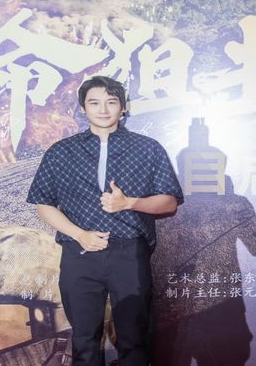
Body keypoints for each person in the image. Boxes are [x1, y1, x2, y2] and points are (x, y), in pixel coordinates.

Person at [26, 75, 183, 366]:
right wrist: (79, 234)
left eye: (111, 102)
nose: (103, 109)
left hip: (129, 253)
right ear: (82, 108)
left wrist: (129, 203)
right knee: (83, 340)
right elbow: (43, 203)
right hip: (79, 254)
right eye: (94, 102)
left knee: (134, 341)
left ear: (123, 107)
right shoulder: (61, 152)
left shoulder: (147, 148)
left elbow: (169, 202)